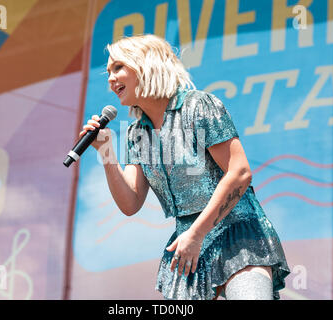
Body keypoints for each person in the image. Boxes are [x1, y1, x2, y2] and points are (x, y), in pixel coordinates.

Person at [79, 34, 290, 300]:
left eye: (118, 67)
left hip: (236, 234)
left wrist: (198, 233)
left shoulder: (197, 105)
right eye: (108, 71)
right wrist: (107, 154)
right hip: (187, 249)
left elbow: (239, 173)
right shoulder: (137, 134)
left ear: (146, 64)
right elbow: (130, 203)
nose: (110, 78)